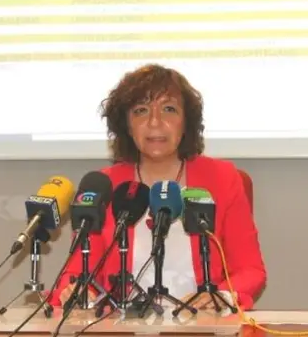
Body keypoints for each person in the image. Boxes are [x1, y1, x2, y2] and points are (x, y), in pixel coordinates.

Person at [52, 64, 267, 310]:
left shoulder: (221, 178)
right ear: (126, 125)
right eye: (141, 111)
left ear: (186, 122)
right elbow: (77, 272)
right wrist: (76, 291)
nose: (155, 122)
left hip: (201, 321)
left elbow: (250, 270)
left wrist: (221, 297)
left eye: (169, 109)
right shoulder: (104, 186)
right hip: (123, 323)